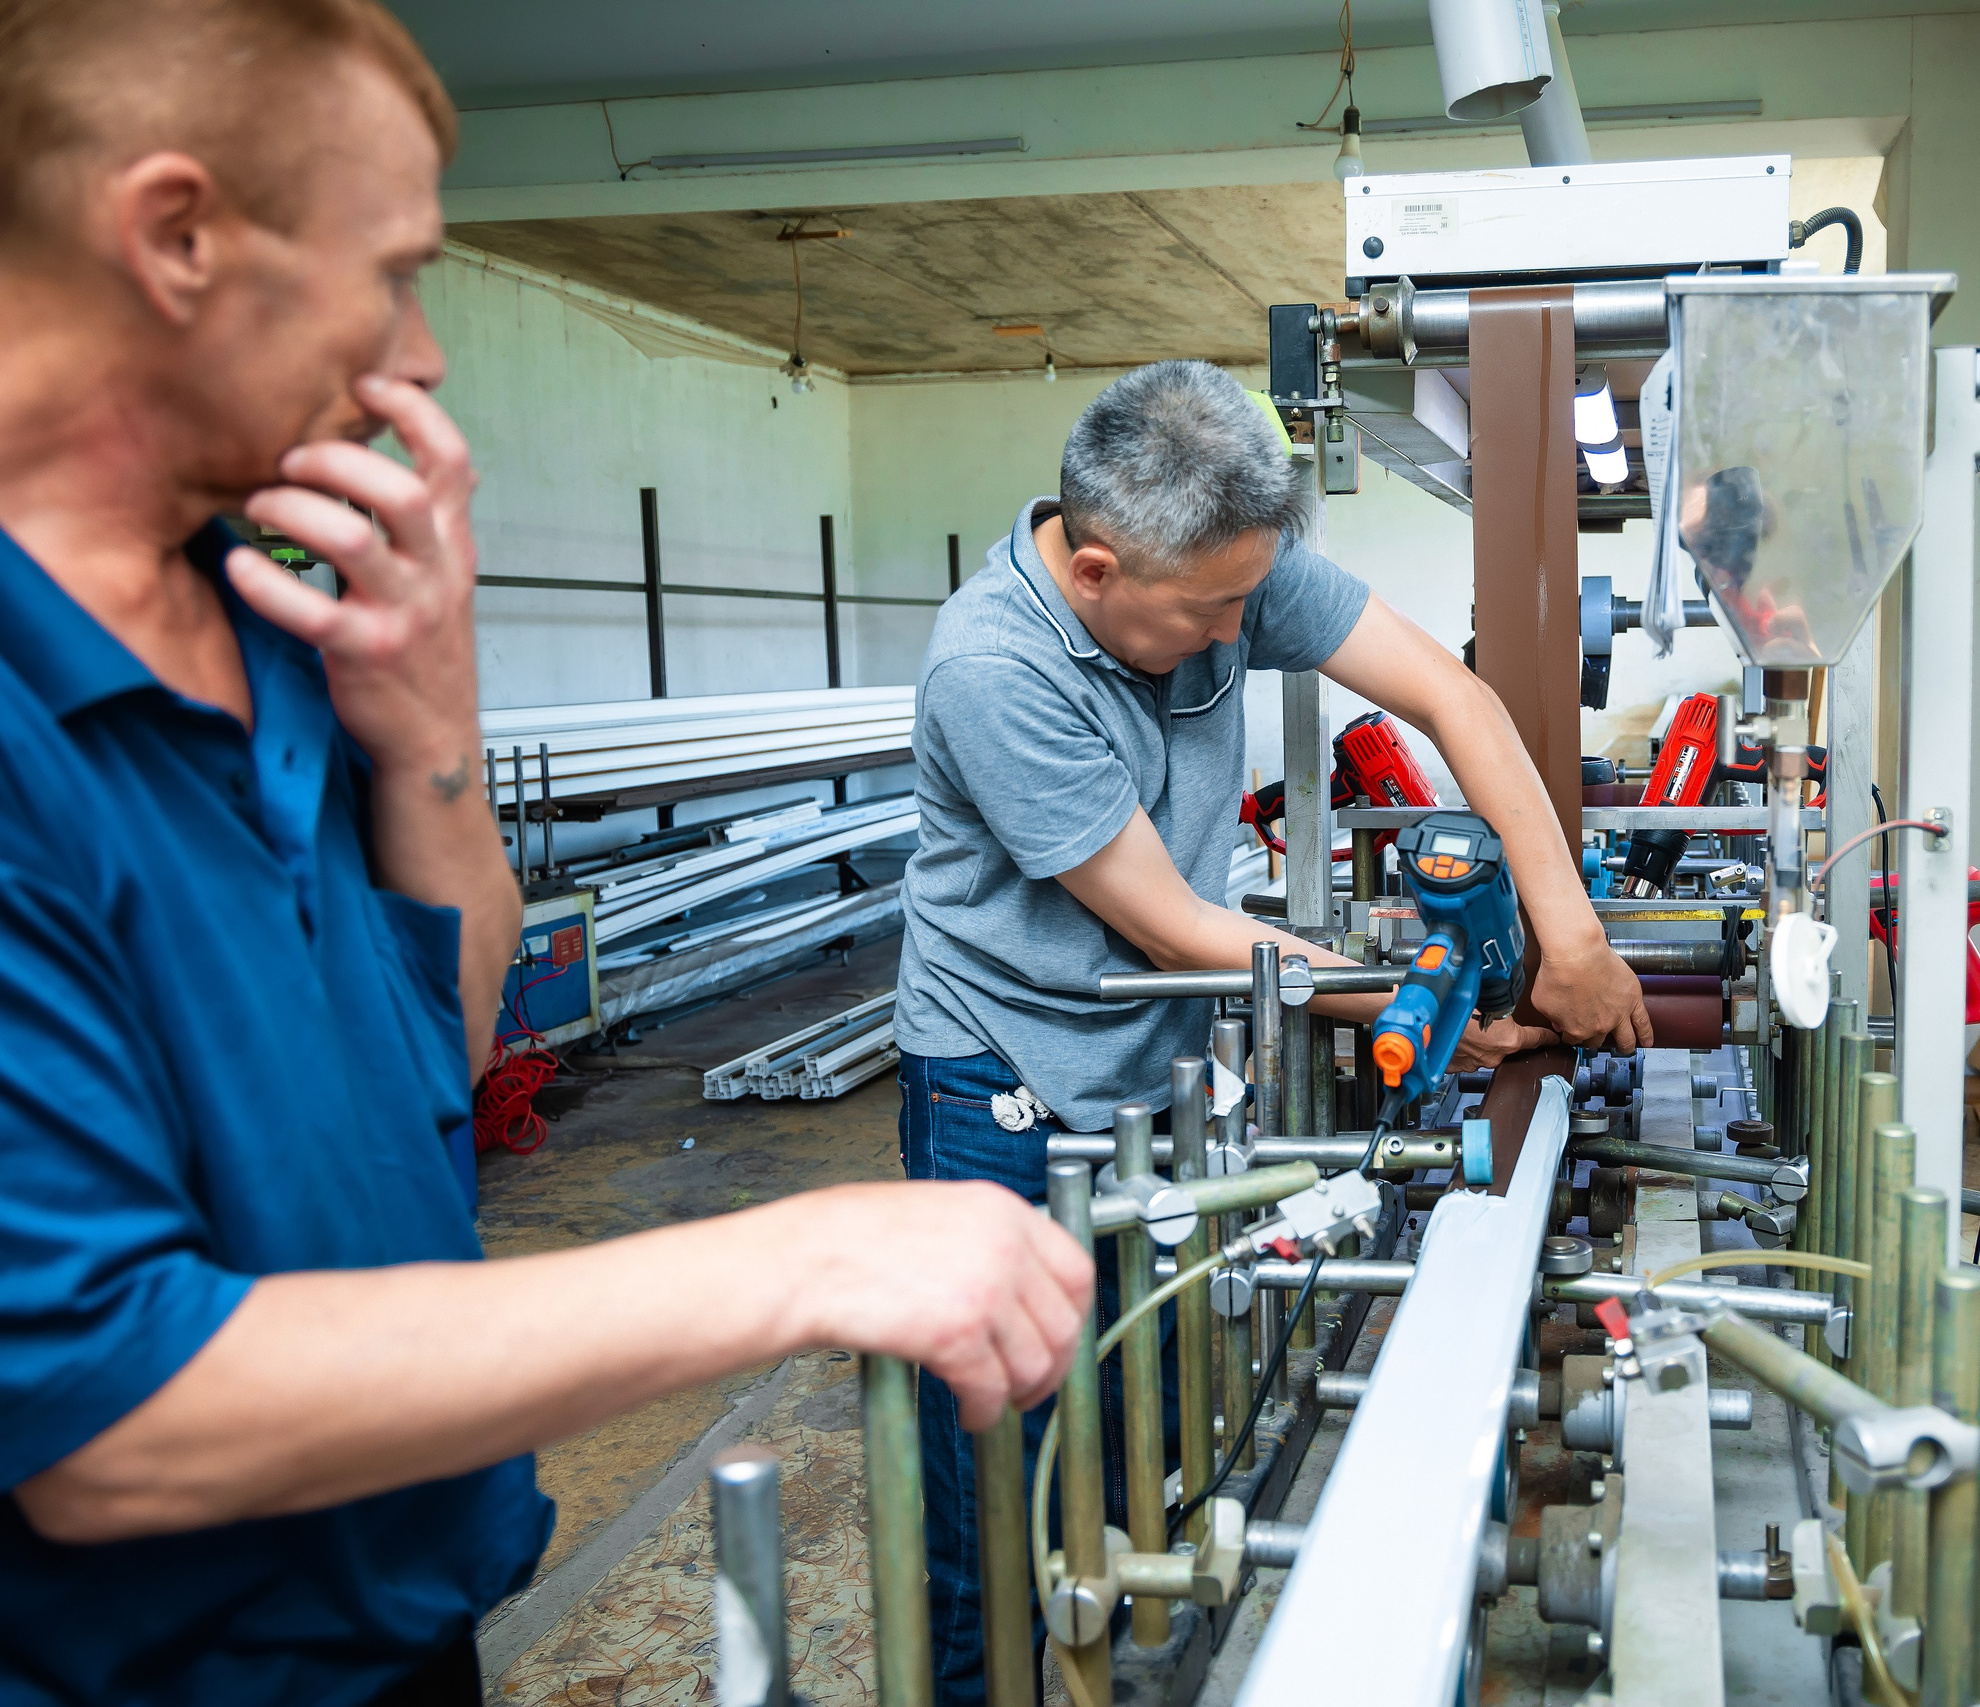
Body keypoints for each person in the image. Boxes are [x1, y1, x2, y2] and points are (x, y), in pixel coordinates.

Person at [0, 3, 1091, 1701]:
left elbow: (425, 1068)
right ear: (177, 236)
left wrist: (432, 741)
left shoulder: (267, 616)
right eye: (393, 273)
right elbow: (104, 1417)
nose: (424, 353)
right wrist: (802, 1256)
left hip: (402, 1625)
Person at [897, 359, 1653, 1698]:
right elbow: (1175, 930)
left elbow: (1454, 699)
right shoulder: (993, 667)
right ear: (1095, 571)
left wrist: (1573, 936)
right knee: (996, 1479)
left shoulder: (1223, 562)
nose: (1245, 628)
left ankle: (1121, 1658)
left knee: (1138, 1417)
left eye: (1252, 597)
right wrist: (1426, 1006)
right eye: (1216, 613)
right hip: (1002, 1078)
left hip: (1148, 1067)